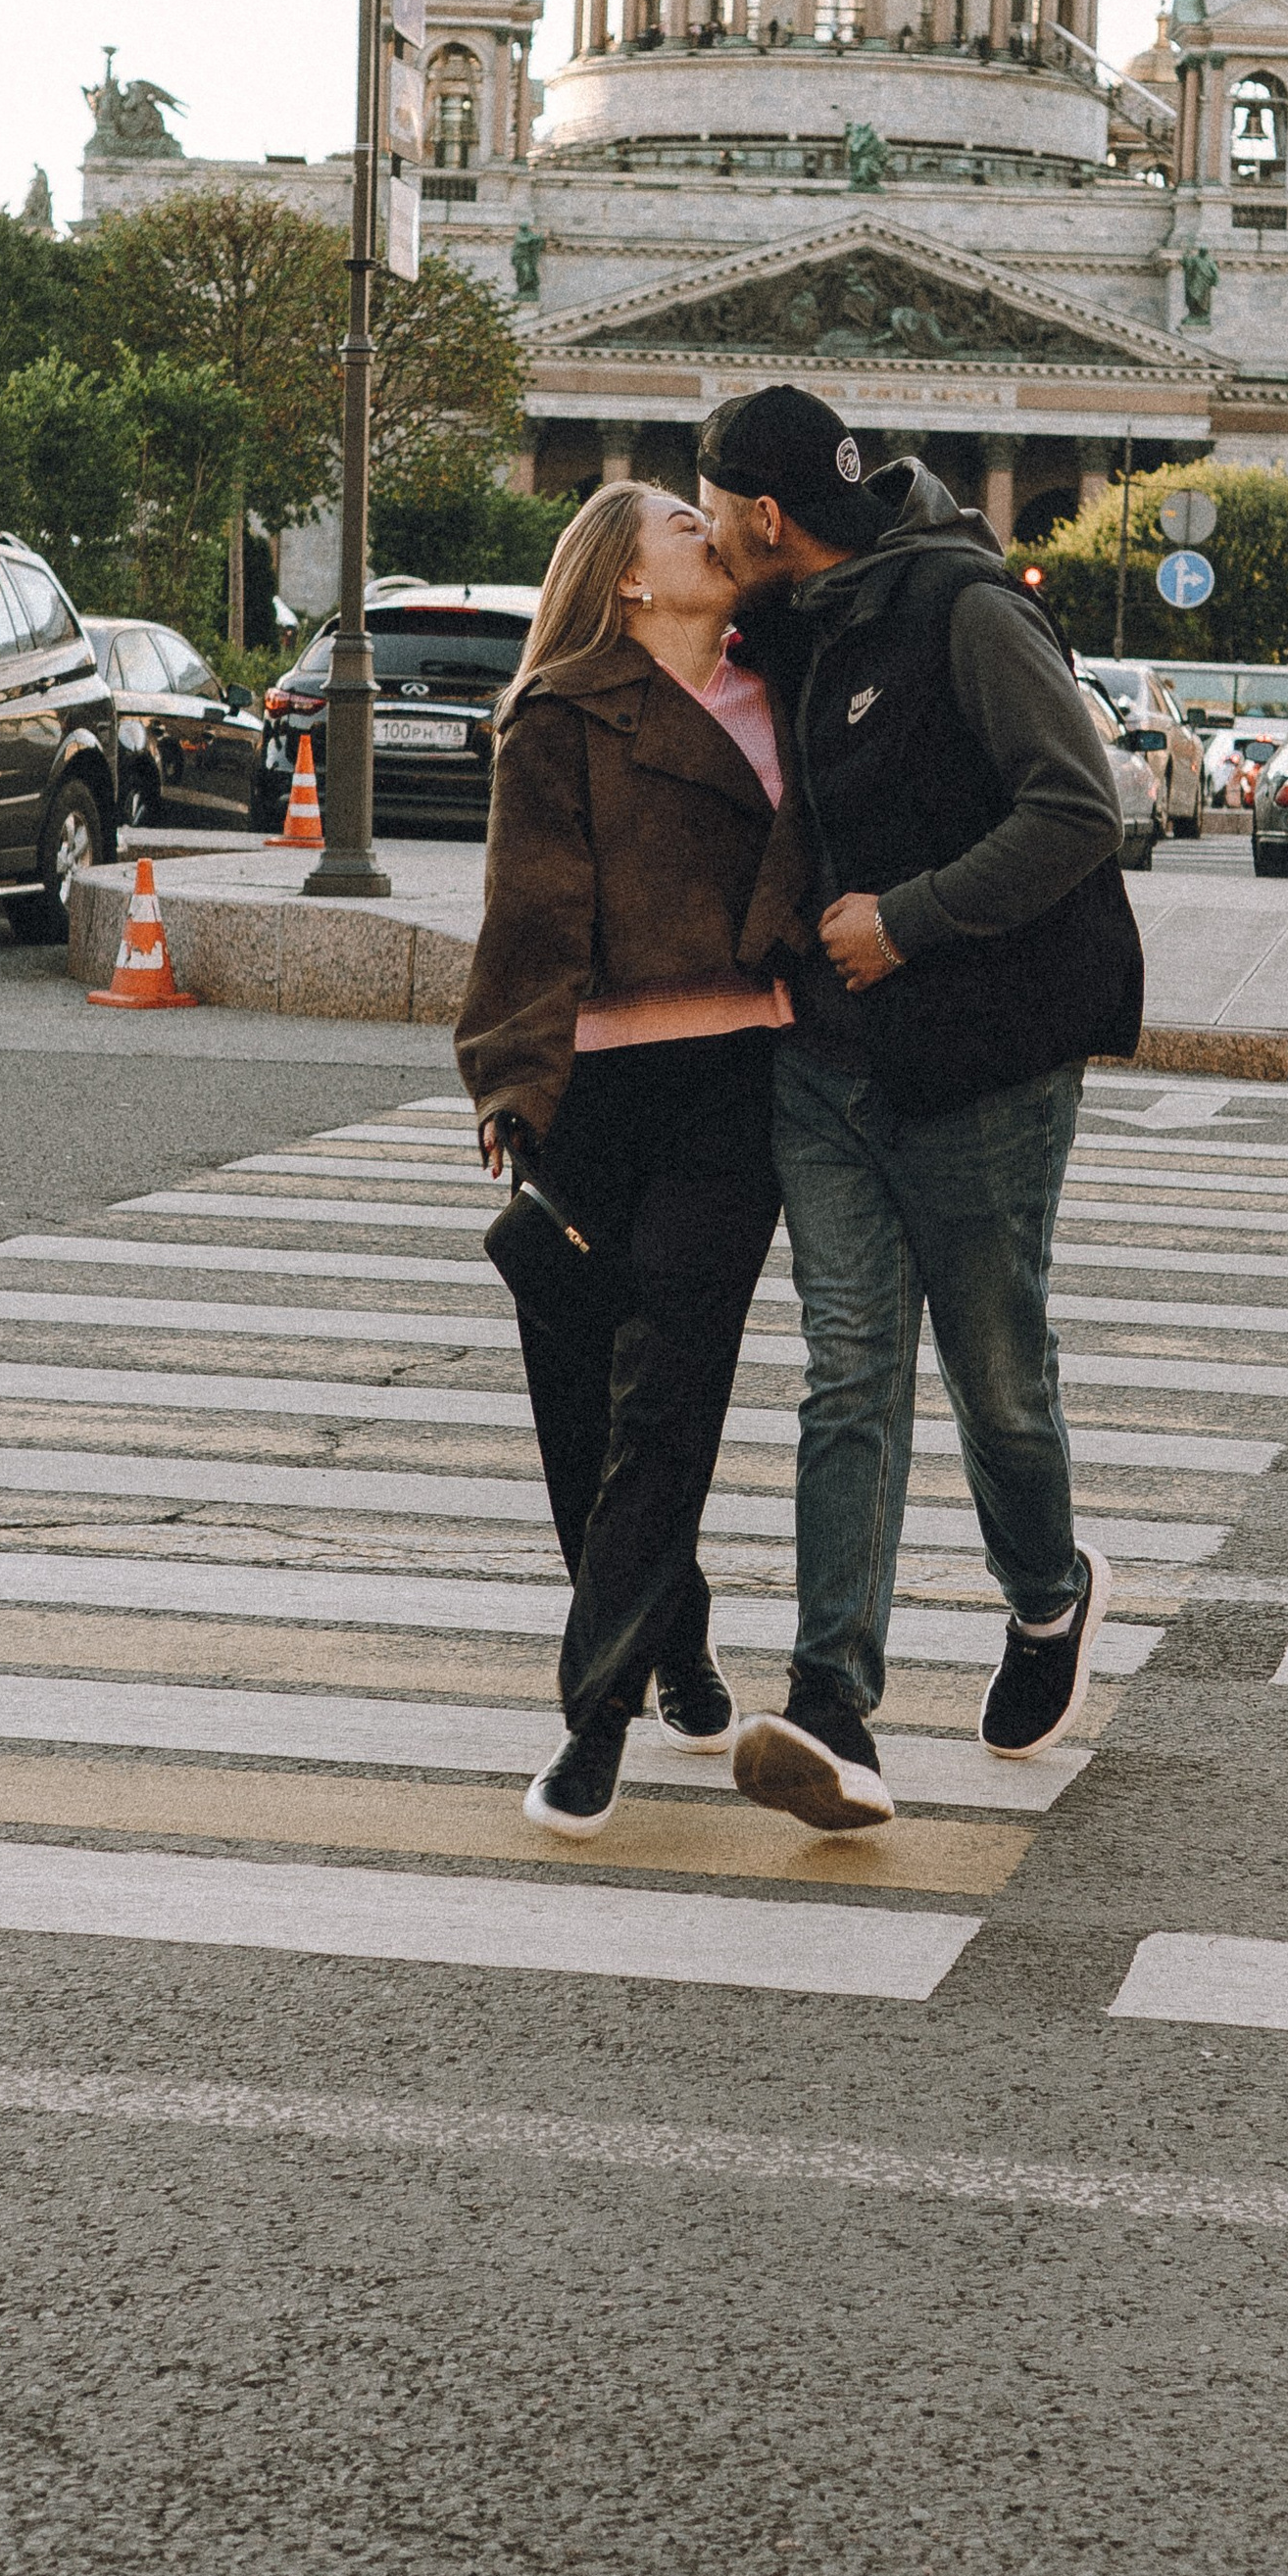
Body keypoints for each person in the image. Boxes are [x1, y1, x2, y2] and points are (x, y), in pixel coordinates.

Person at [699, 386, 1146, 1832]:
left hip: (983, 1055)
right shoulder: (784, 623)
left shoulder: (965, 610)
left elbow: (1079, 808)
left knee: (995, 1372)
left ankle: (1047, 1597)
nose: (706, 535)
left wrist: (910, 919)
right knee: (849, 1374)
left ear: (769, 516)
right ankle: (834, 1704)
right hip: (826, 1061)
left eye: (713, 509)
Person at [456, 482, 811, 1839]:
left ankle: (591, 1719)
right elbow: (530, 916)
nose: (703, 529)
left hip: (739, 1085)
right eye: (675, 522)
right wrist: (509, 1082)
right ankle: (678, 1627)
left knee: (669, 1392)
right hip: (596, 1089)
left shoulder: (780, 685)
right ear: (628, 583)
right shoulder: (564, 717)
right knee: (580, 1412)